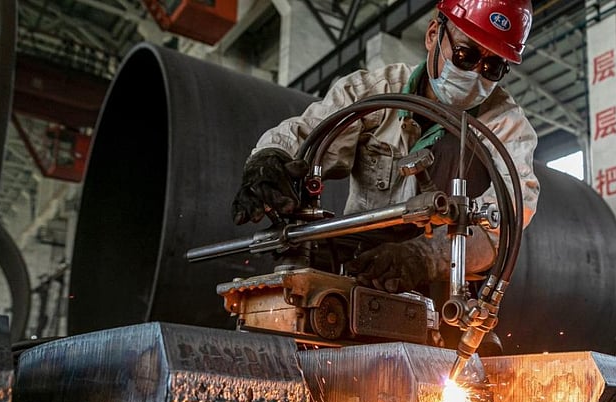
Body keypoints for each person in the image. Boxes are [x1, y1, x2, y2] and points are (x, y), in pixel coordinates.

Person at [231, 0, 539, 308]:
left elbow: (507, 221)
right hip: (358, 263)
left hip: (445, 282)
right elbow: (308, 135)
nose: (475, 75)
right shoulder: (375, 92)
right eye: (465, 55)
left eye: (493, 67)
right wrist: (270, 157)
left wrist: (423, 257)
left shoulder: (507, 127)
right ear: (433, 35)